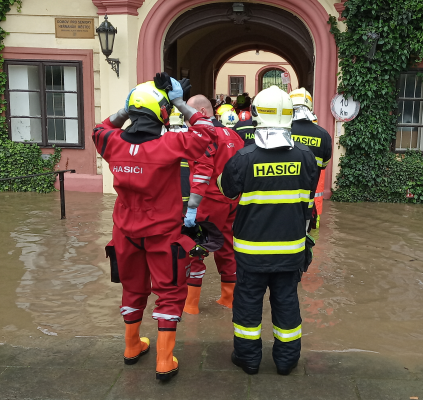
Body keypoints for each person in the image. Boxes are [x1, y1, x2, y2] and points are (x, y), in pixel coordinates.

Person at [92, 73, 214, 382]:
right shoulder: (170, 144)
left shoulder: (112, 143)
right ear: (162, 112)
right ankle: (163, 360)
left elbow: (100, 128)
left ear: (132, 112)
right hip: (163, 235)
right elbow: (206, 132)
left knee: (133, 290)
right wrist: (178, 102)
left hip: (125, 233)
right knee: (169, 295)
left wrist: (127, 107)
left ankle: (132, 346)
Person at [218, 85, 319, 375]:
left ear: (257, 116)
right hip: (291, 250)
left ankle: (248, 359)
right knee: (286, 301)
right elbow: (308, 201)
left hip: (251, 251)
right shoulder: (306, 157)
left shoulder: (244, 157)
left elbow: (225, 192)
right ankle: (286, 361)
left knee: (248, 302)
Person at [182, 95, 244, 314]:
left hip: (207, 202)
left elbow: (202, 171)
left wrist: (191, 206)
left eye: (190, 113)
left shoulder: (203, 136)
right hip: (231, 202)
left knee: (195, 251)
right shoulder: (234, 135)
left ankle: (190, 306)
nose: (187, 119)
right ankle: (229, 299)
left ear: (202, 111)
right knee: (227, 248)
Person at [289, 88, 332, 230]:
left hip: (283, 200)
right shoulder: (323, 135)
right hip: (308, 203)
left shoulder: (284, 131)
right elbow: (324, 165)